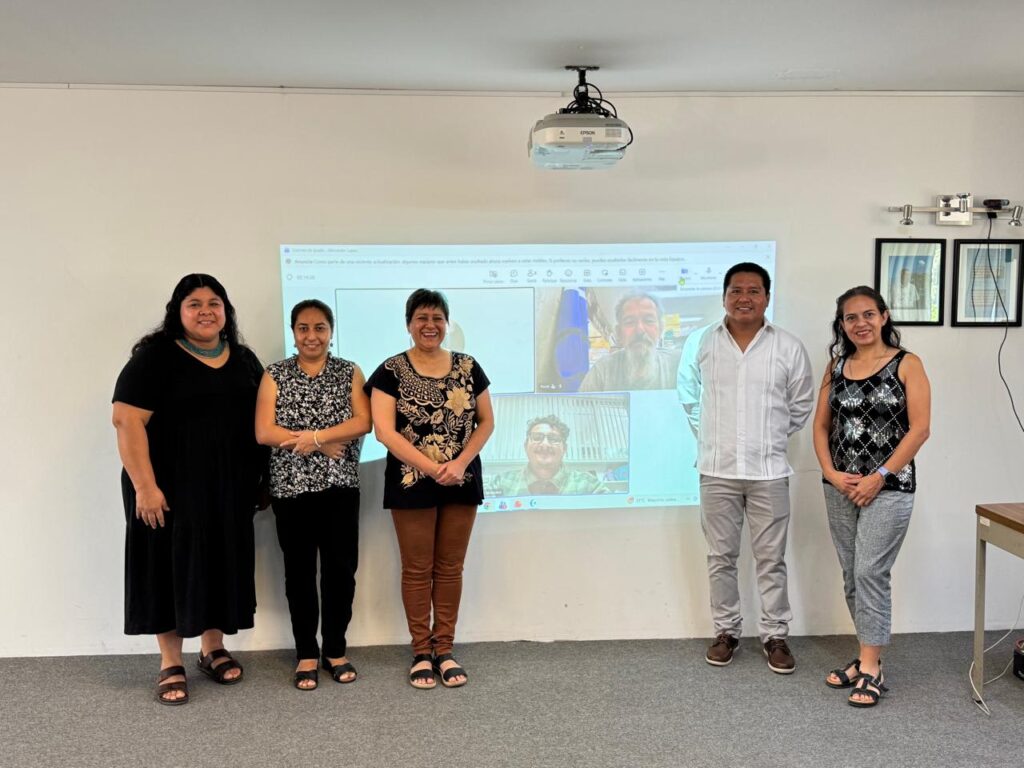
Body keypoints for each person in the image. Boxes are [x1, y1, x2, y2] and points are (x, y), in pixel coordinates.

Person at [112, 274, 267, 705]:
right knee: (166, 567)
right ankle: (170, 662)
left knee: (219, 563)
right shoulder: (155, 357)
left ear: (226, 311)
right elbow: (126, 420)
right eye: (194, 304)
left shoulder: (243, 359)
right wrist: (145, 487)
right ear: (177, 311)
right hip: (166, 489)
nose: (205, 311)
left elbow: (263, 421)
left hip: (227, 489)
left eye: (214, 303)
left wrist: (262, 479)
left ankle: (212, 648)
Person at [678, 262, 814, 674]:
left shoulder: (787, 346)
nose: (744, 298)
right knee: (720, 557)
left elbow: (801, 404)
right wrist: (713, 437)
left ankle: (775, 636)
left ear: (767, 298)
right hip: (717, 470)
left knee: (771, 559)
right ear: (724, 297)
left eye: (754, 291)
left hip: (768, 471)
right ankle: (726, 632)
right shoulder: (702, 343)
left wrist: (768, 436)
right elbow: (689, 397)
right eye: (736, 290)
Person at [365, 289, 494, 690]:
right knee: (418, 569)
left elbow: (486, 422)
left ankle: (445, 650)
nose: (430, 325)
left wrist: (458, 464)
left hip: (461, 478)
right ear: (409, 324)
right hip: (411, 481)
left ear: (447, 323)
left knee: (450, 567)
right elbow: (384, 431)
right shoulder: (390, 370)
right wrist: (432, 468)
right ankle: (421, 652)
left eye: (437, 317)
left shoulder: (468, 366)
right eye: (422, 317)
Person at [812, 286, 930, 707]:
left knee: (870, 572)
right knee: (851, 574)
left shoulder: (907, 364)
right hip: (840, 486)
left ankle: (871, 668)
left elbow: (920, 429)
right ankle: (868, 655)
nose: (860, 323)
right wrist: (830, 473)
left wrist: (879, 476)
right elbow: (821, 427)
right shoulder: (836, 367)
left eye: (867, 314)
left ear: (883, 316)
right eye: (850, 317)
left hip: (889, 487)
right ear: (841, 325)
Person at [255, 299, 371, 690]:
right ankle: (306, 652)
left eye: (320, 327)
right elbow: (263, 431)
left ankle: (335, 650)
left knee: (341, 572)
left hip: (340, 488)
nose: (311, 335)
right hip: (291, 489)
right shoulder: (275, 374)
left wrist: (317, 437)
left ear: (330, 332)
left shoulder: (349, 371)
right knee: (299, 574)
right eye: (303, 328)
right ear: (294, 333)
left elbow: (363, 422)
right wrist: (319, 443)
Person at [580, 291, 681, 391]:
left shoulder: (680, 365)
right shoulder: (601, 372)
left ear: (660, 329)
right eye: (630, 322)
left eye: (648, 321)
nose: (640, 330)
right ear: (619, 333)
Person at [486, 415, 609, 495]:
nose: (545, 444)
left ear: (564, 449)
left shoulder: (589, 485)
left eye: (553, 439)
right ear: (525, 446)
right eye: (537, 437)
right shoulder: (500, 483)